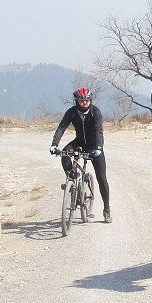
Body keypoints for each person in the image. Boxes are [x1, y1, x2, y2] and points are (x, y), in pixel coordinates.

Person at [50, 87, 111, 223]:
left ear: (90, 100)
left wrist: (99, 147)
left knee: (102, 178)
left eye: (86, 100)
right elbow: (61, 127)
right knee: (64, 154)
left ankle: (107, 209)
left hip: (94, 145)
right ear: (76, 100)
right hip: (79, 142)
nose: (84, 103)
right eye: (81, 100)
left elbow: (98, 131)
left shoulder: (96, 112)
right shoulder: (71, 112)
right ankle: (72, 177)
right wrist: (54, 144)